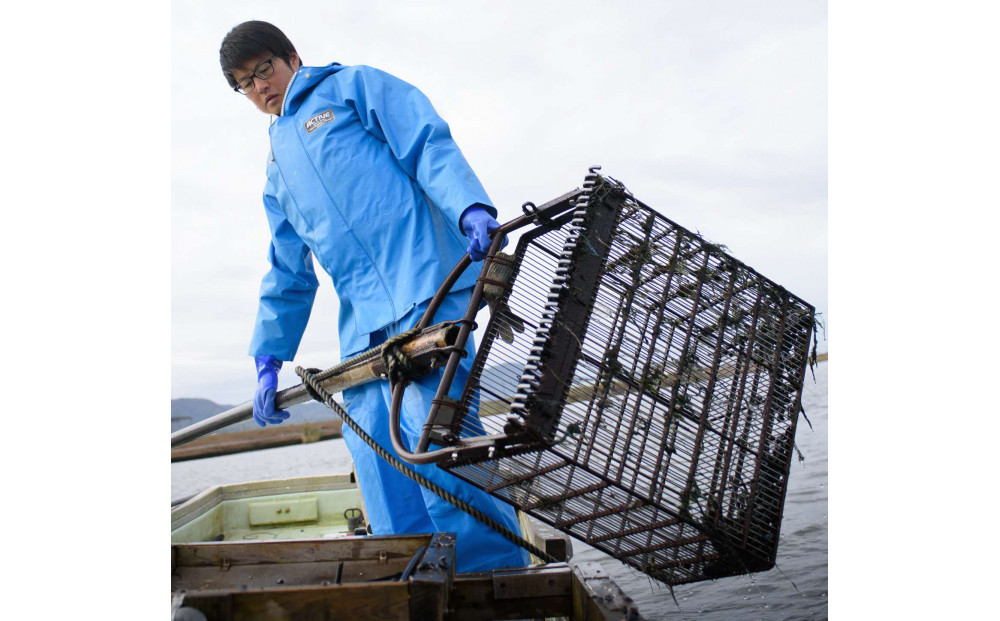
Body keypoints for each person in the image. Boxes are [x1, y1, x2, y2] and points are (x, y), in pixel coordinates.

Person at [219, 21, 528, 572]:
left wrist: (468, 206)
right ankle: (412, 574)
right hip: (363, 325)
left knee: (429, 430)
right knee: (373, 448)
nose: (259, 86)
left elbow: (424, 140)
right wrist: (268, 357)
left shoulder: (350, 88)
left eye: (263, 68)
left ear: (291, 57)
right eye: (244, 83)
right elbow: (288, 270)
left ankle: (496, 575)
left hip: (426, 282)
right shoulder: (274, 172)